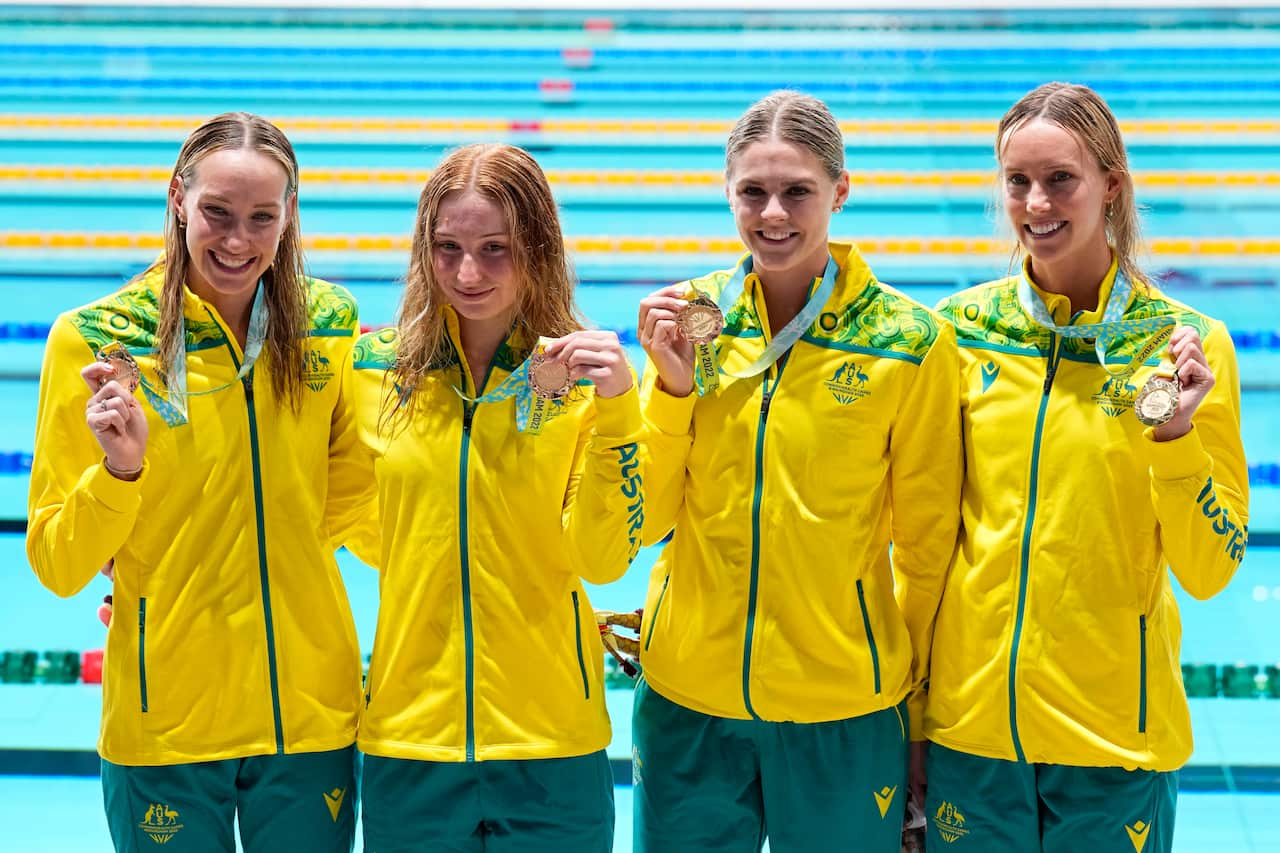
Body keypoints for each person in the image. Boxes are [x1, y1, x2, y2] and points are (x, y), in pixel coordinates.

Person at [631, 90, 962, 852]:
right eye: (753, 191)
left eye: (797, 191)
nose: (772, 214)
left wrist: (917, 715)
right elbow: (642, 519)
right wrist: (672, 391)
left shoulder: (911, 344)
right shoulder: (689, 321)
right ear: (727, 190)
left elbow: (927, 548)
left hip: (844, 708)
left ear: (840, 192)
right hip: (689, 701)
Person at [27, 112, 368, 852]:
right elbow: (56, 563)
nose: (238, 241)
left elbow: (357, 504)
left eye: (261, 217)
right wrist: (122, 475)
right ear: (178, 197)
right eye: (217, 212)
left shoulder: (332, 324)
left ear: (290, 216)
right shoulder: (95, 340)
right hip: (167, 724)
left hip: (309, 715)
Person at [923, 82, 1250, 853]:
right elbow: (923, 542)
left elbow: (1210, 568)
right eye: (1018, 181)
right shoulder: (957, 334)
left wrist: (1174, 438)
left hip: (1114, 744)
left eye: (1060, 178)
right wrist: (913, 720)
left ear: (1111, 183)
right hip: (973, 737)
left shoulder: (1190, 345)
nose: (1037, 202)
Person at [345, 142, 644, 852]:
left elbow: (603, 559)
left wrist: (620, 410)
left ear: (538, 247)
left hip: (552, 745)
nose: (467, 272)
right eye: (446, 247)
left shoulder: (583, 382)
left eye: (495, 248)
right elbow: (315, 499)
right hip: (408, 738)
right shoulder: (366, 371)